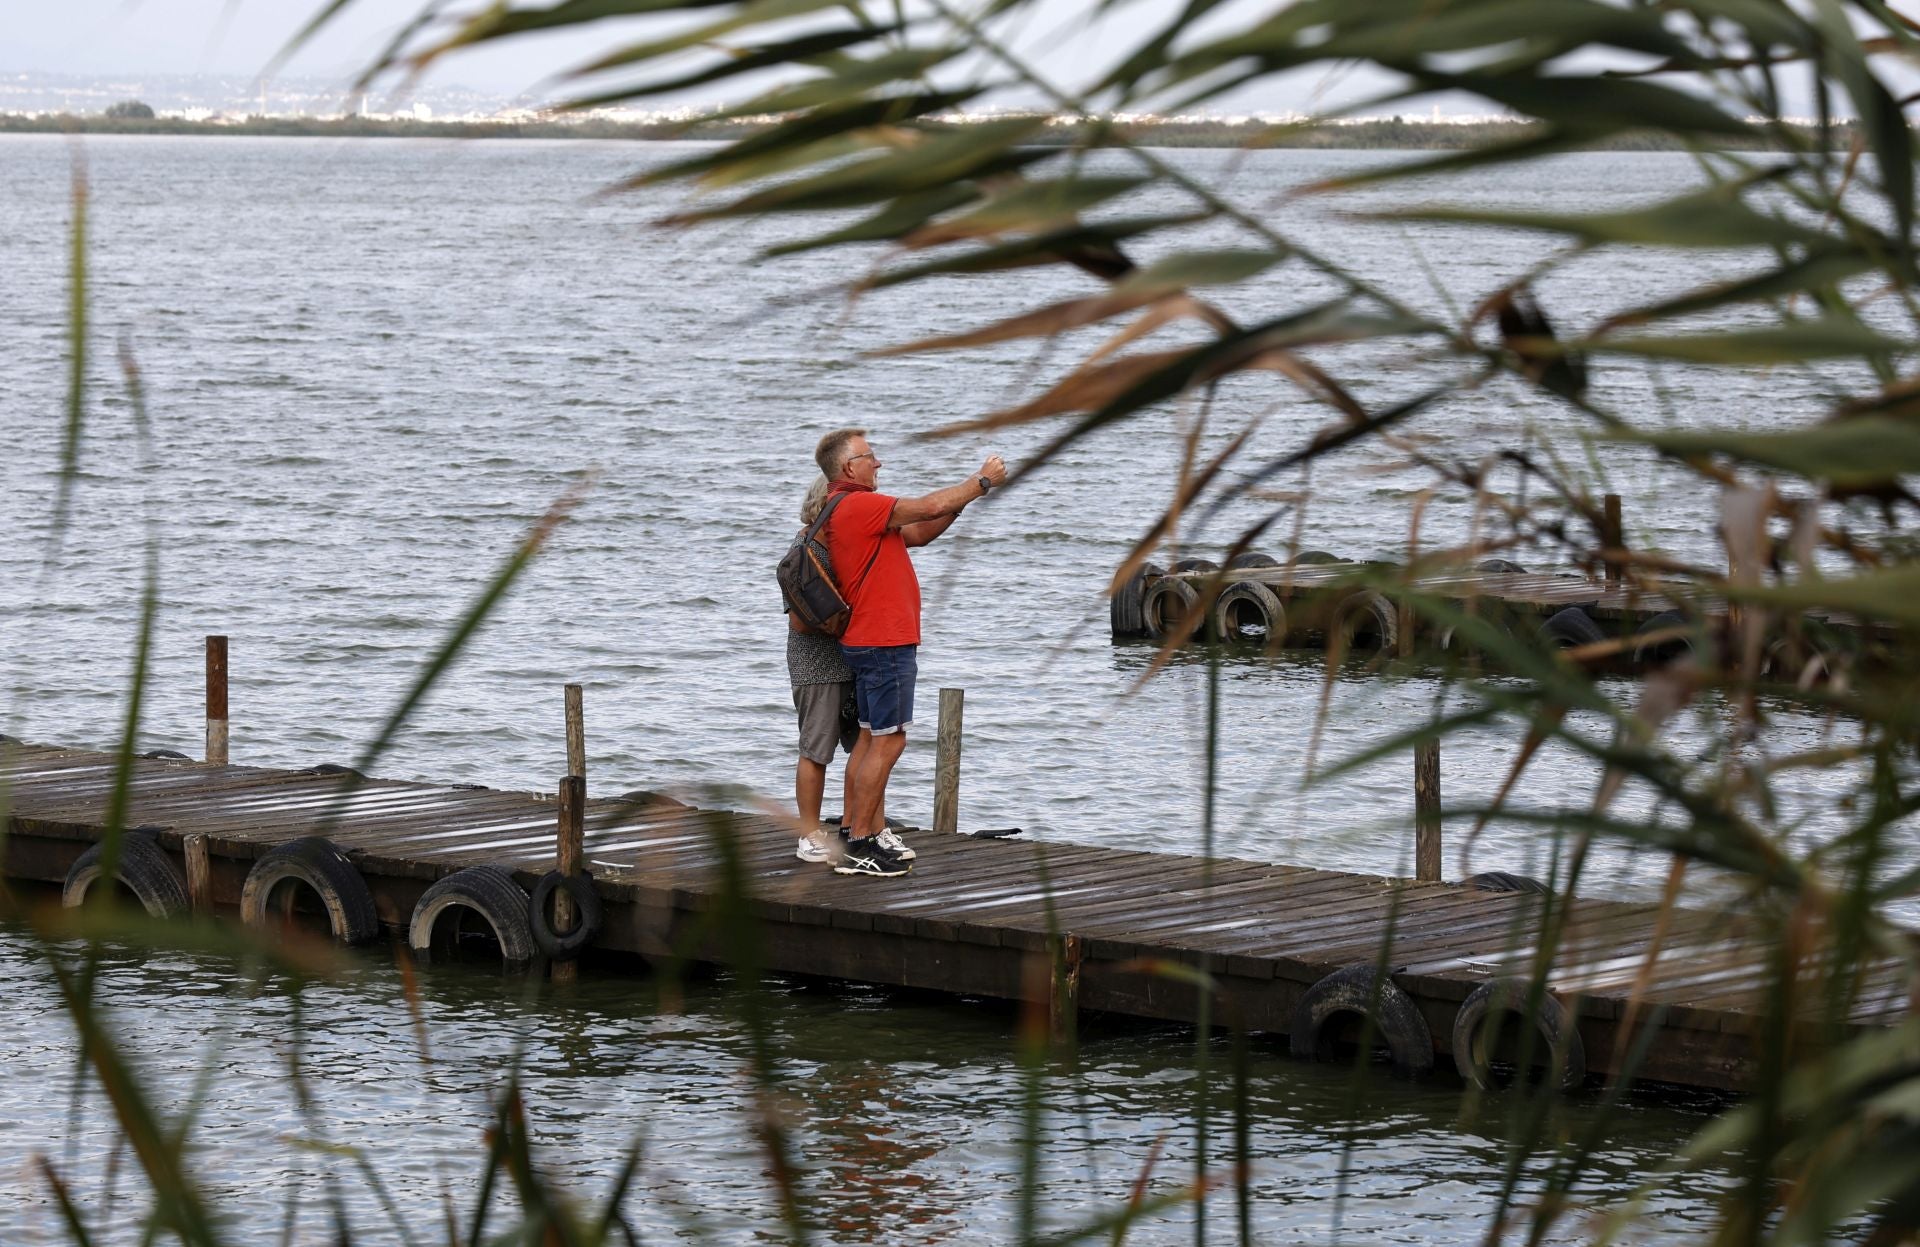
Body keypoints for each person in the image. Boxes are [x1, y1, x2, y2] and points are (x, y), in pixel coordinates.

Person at [814, 427, 1007, 878]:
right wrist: (981, 482)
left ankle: (852, 831)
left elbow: (919, 532)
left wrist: (962, 502)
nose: (877, 462)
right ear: (848, 468)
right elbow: (929, 505)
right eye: (869, 456)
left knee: (868, 738)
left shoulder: (851, 510)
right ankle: (860, 843)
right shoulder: (861, 504)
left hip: (870, 640)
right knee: (890, 739)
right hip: (884, 641)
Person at [787, 476, 860, 864]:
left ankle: (854, 827)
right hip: (817, 663)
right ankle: (809, 833)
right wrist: (845, 621)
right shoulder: (807, 548)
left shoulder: (841, 544)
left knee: (864, 743)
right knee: (816, 750)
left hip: (853, 657)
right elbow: (801, 620)